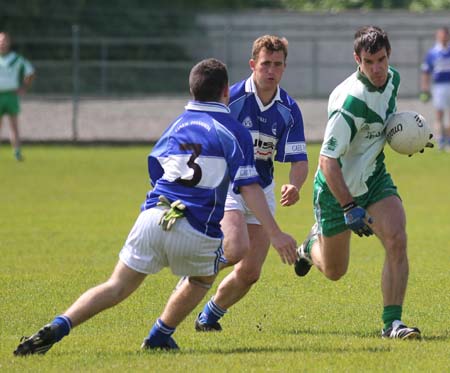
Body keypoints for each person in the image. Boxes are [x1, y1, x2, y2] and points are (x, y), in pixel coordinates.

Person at [13, 58, 297, 356]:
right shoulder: (234, 131)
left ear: (192, 91)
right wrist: (275, 233)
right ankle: (160, 334)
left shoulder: (178, 124)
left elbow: (155, 169)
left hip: (154, 216)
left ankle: (60, 325)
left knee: (116, 287)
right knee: (203, 277)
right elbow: (249, 186)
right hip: (196, 230)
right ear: (226, 91)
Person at [294, 26, 426, 340]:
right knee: (335, 271)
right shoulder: (349, 103)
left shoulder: (393, 80)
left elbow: (387, 124)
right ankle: (310, 246)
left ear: (388, 55)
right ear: (358, 60)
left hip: (374, 178)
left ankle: (392, 323)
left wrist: (413, 137)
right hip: (336, 189)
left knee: (396, 239)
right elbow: (327, 162)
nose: (377, 69)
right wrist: (349, 207)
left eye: (381, 59)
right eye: (369, 62)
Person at [195, 35, 308, 332]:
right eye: (265, 63)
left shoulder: (289, 109)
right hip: (228, 185)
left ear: (284, 67)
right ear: (252, 65)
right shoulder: (231, 99)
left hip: (263, 187)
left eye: (278, 65)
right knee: (234, 248)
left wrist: (295, 186)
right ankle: (192, 278)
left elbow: (300, 161)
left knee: (250, 272)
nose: (271, 70)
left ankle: (210, 315)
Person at [0, 31, 35, 161]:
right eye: (0, 41)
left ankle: (17, 153)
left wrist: (23, 88)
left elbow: (30, 72)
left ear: (8, 43)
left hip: (11, 95)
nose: (2, 43)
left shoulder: (16, 59)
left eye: (4, 41)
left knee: (13, 126)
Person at [420, 26, 450, 151]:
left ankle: (448, 140)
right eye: (440, 35)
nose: (443, 37)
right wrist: (425, 89)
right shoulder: (432, 53)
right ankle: (440, 140)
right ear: (437, 36)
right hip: (438, 87)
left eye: (445, 35)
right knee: (439, 114)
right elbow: (426, 71)